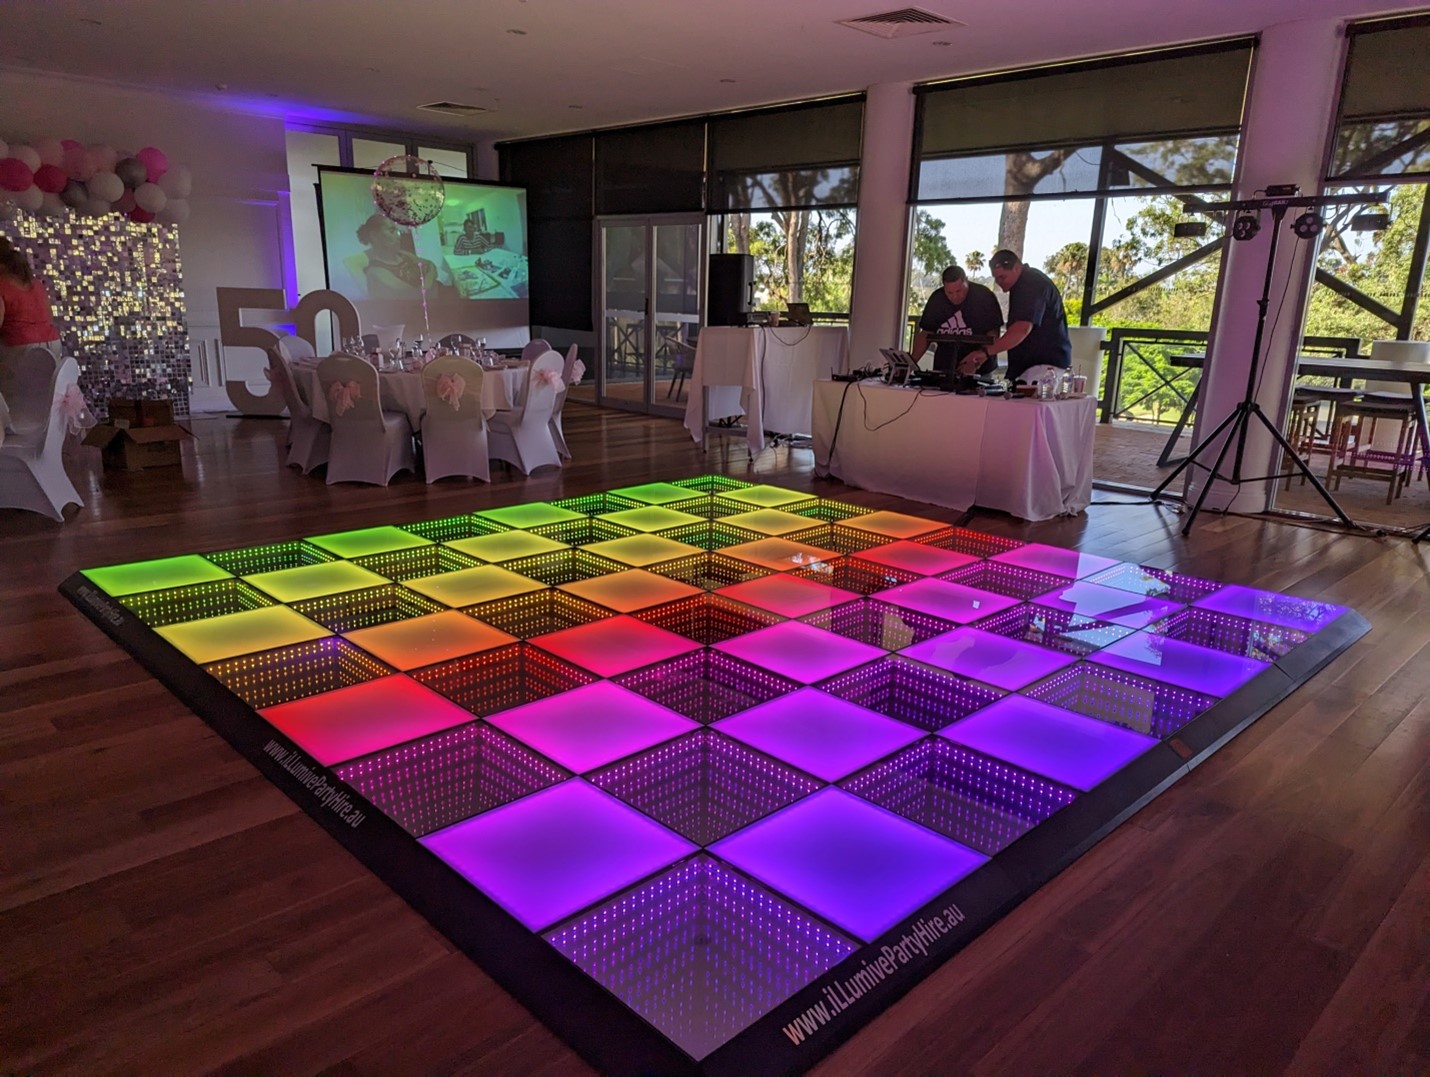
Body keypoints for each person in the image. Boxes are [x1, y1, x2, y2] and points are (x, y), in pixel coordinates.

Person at [959, 249, 1071, 383]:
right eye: (996, 278)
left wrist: (986, 352)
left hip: (1042, 365)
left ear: (1017, 268)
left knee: (1029, 404)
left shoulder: (1030, 284)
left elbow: (1021, 329)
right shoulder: (1024, 283)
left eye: (1002, 277)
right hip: (1031, 364)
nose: (999, 282)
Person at [911, 265, 1004, 377]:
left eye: (959, 291)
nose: (955, 296)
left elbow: (993, 334)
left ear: (966, 282)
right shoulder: (937, 299)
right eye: (949, 293)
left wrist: (976, 361)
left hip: (980, 371)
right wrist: (910, 362)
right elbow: (926, 333)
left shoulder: (984, 297)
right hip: (943, 368)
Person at [0, 236, 62, 366]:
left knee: (10, 385)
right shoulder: (36, 284)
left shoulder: (2, 285)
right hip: (53, 343)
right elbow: (48, 315)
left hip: (21, 347)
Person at [355, 213, 441, 299]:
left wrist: (428, 282)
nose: (399, 237)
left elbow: (430, 264)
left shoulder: (402, 255)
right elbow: (419, 295)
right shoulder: (375, 272)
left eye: (398, 231)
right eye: (392, 231)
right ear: (374, 235)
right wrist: (430, 280)